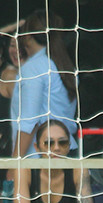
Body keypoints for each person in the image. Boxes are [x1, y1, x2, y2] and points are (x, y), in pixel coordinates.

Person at [11, 9, 78, 158]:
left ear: (27, 36)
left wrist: (15, 163)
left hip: (39, 156)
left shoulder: (34, 68)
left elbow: (30, 122)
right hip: (65, 150)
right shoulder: (65, 65)